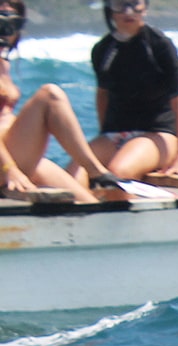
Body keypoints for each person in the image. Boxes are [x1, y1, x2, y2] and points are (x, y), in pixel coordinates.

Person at [0, 0, 122, 202]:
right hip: (5, 164)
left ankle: (96, 176)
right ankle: (95, 172)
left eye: (14, 23)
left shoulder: (4, 63)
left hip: (13, 154)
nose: (6, 30)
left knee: (88, 205)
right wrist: (9, 169)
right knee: (50, 95)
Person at [85, 0, 178, 180]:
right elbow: (102, 94)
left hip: (158, 134)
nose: (129, 11)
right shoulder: (102, 49)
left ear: (145, 8)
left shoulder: (159, 45)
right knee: (75, 174)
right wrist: (104, 134)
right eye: (120, 5)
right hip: (116, 134)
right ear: (110, 10)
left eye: (135, 4)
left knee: (117, 173)